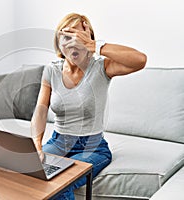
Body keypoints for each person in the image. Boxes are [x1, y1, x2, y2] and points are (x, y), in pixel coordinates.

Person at [31, 13, 147, 200]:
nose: (73, 42)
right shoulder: (52, 70)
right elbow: (41, 110)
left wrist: (95, 46)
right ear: (58, 42)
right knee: (30, 175)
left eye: (79, 37)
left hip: (92, 147)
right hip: (57, 142)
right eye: (67, 36)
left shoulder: (101, 67)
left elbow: (140, 60)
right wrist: (36, 146)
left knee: (59, 183)